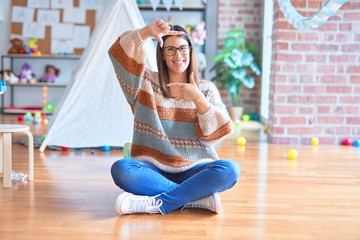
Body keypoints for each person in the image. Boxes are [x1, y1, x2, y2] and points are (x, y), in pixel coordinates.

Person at [108, 19, 240, 216]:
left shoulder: (206, 90)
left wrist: (198, 99)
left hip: (195, 169)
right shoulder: (144, 83)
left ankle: (160, 201)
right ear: (162, 55)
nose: (178, 55)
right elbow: (117, 53)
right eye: (170, 49)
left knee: (230, 170)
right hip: (153, 169)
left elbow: (218, 135)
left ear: (191, 52)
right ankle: (196, 198)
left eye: (183, 49)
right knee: (122, 169)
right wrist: (145, 32)